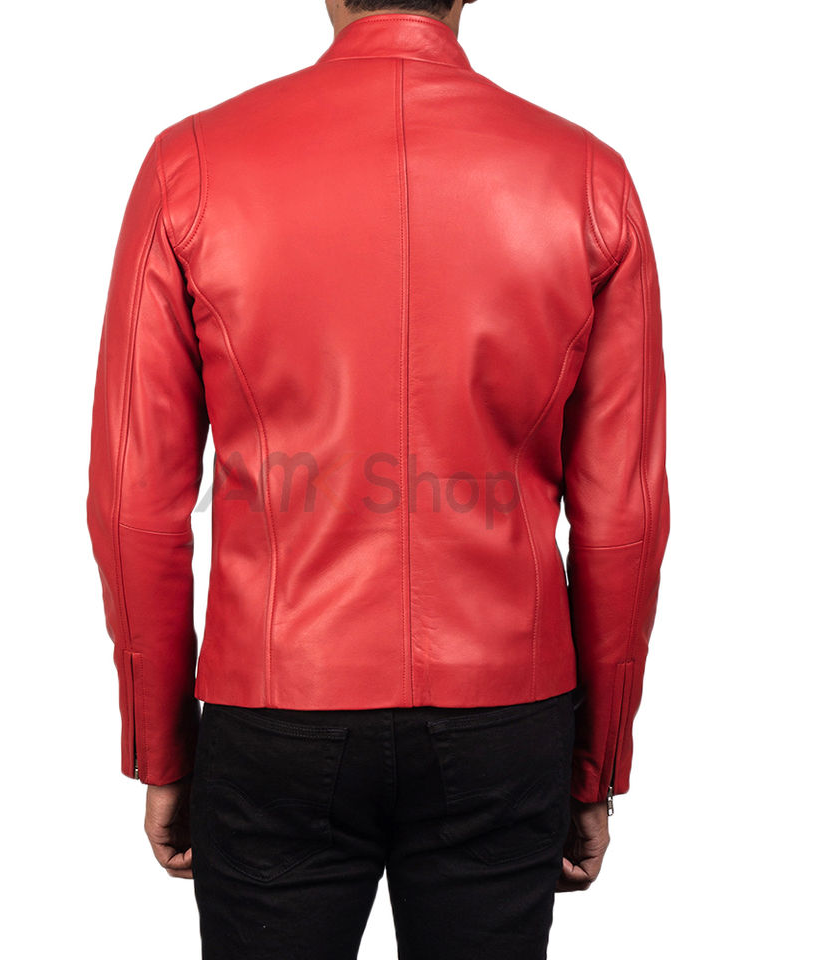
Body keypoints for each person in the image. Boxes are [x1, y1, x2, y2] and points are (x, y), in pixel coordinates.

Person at [86, 1, 669, 956]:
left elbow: (132, 504)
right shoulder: (589, 180)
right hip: (505, 723)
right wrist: (595, 762)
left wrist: (163, 744)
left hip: (274, 716)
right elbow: (623, 522)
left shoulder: (190, 167)